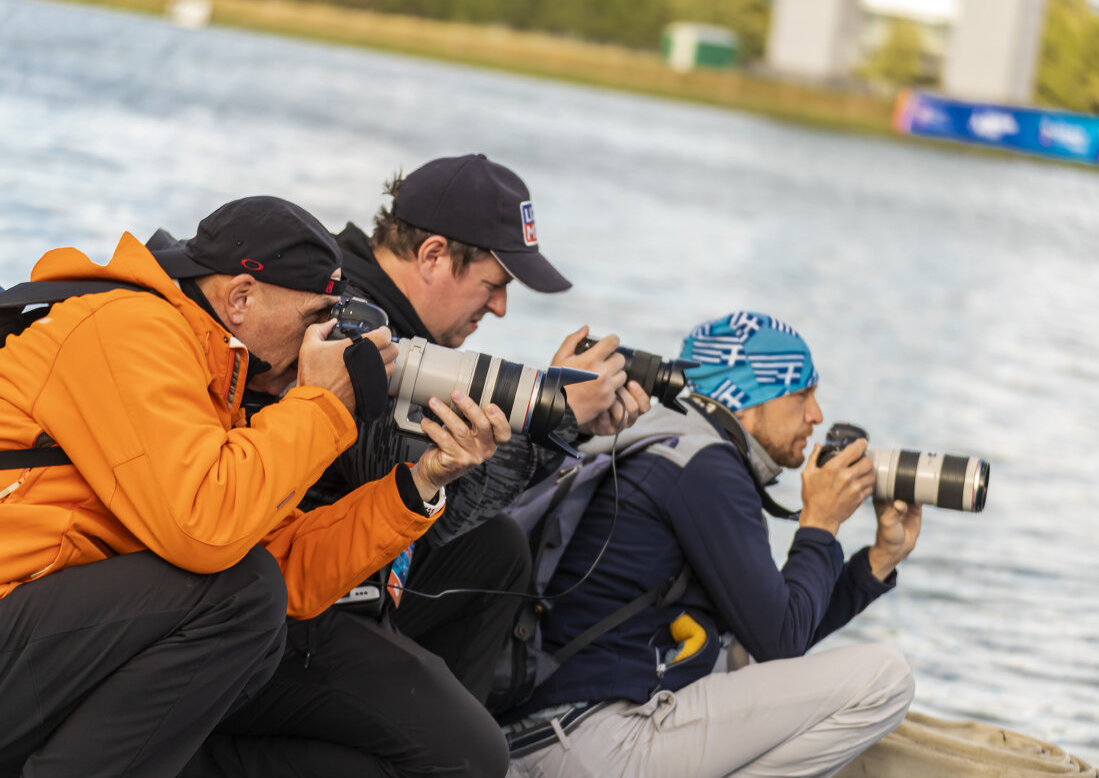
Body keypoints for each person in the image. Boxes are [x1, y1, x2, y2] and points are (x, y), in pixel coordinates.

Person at [0, 196, 509, 778]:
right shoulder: (127, 328)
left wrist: (422, 482)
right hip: (16, 611)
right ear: (241, 298)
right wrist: (320, 405)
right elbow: (205, 529)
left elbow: (285, 565)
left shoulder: (219, 374)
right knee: (240, 598)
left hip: (44, 636)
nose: (323, 336)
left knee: (260, 613)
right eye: (316, 316)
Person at [504, 310, 923, 778]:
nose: (816, 415)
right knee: (886, 679)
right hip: (592, 739)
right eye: (802, 393)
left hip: (541, 733)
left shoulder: (658, 436)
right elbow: (781, 641)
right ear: (746, 398)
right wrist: (820, 523)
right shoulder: (705, 466)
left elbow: (769, 632)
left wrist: (878, 562)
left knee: (729, 655)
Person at [302, 153, 652, 704]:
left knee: (498, 547)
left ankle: (447, 720)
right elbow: (413, 497)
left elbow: (454, 510)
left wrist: (568, 423)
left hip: (332, 567)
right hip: (294, 597)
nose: (502, 307)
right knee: (471, 752)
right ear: (434, 255)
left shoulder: (393, 318)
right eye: (495, 283)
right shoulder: (351, 320)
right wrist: (554, 411)